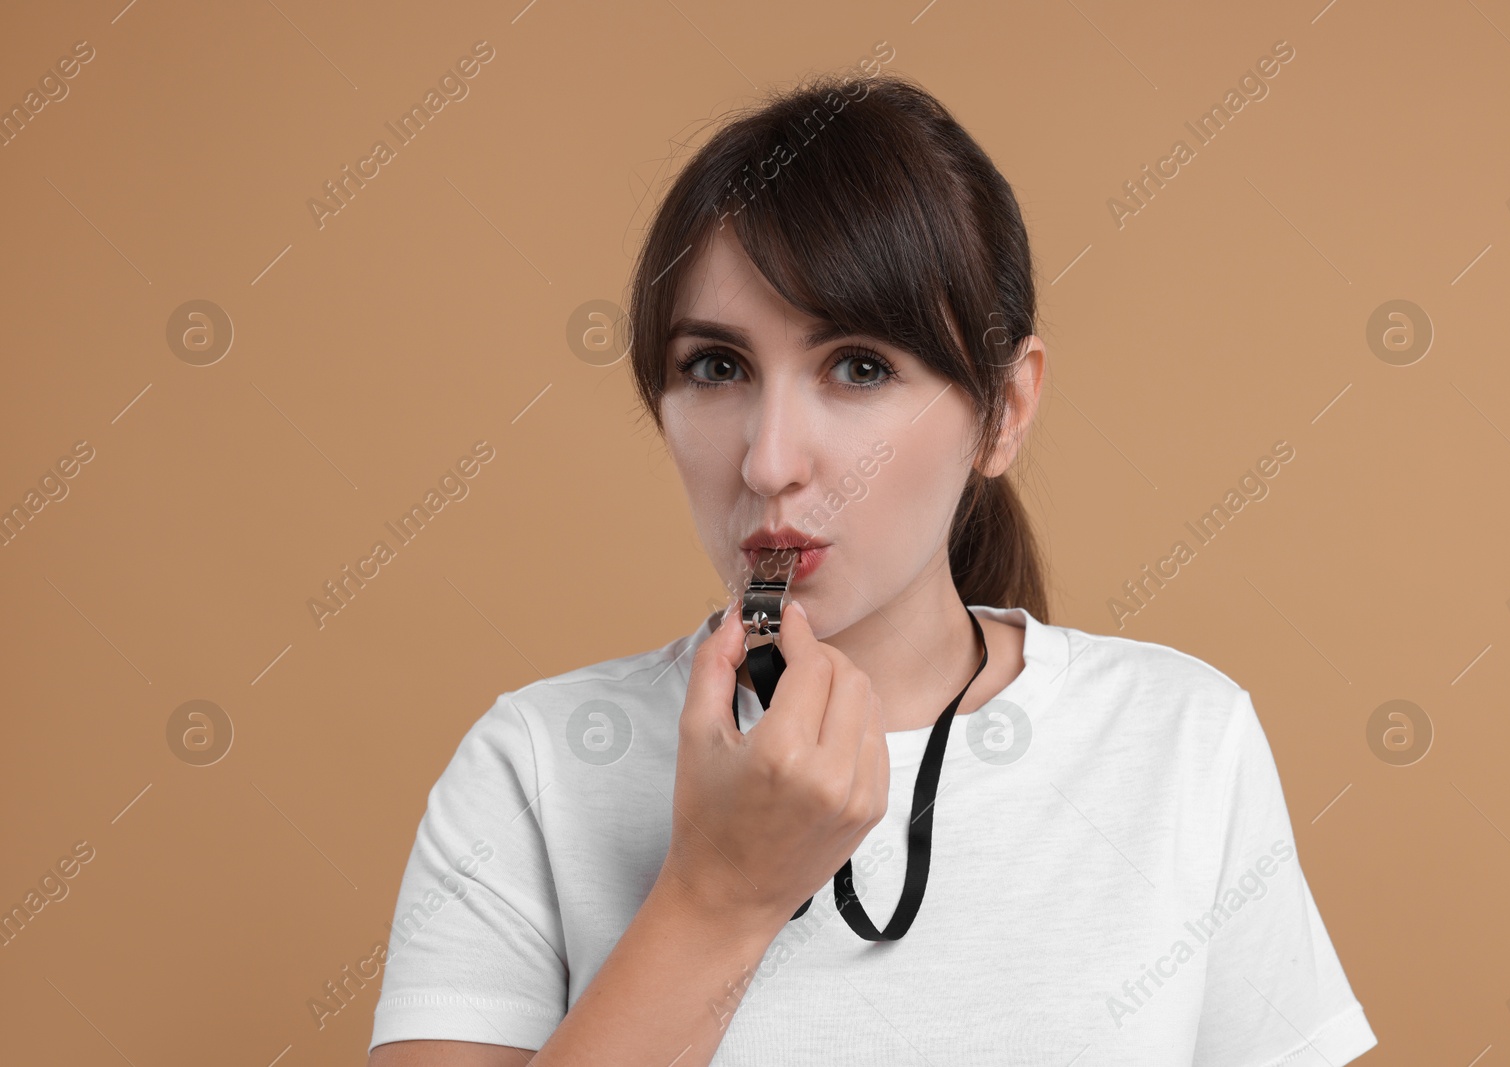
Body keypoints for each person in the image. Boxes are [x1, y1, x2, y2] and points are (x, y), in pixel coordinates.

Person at [366, 71, 1378, 1066]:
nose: (768, 461)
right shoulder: (536, 765)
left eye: (858, 366)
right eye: (715, 366)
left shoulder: (1178, 738)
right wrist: (717, 899)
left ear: (1003, 409)